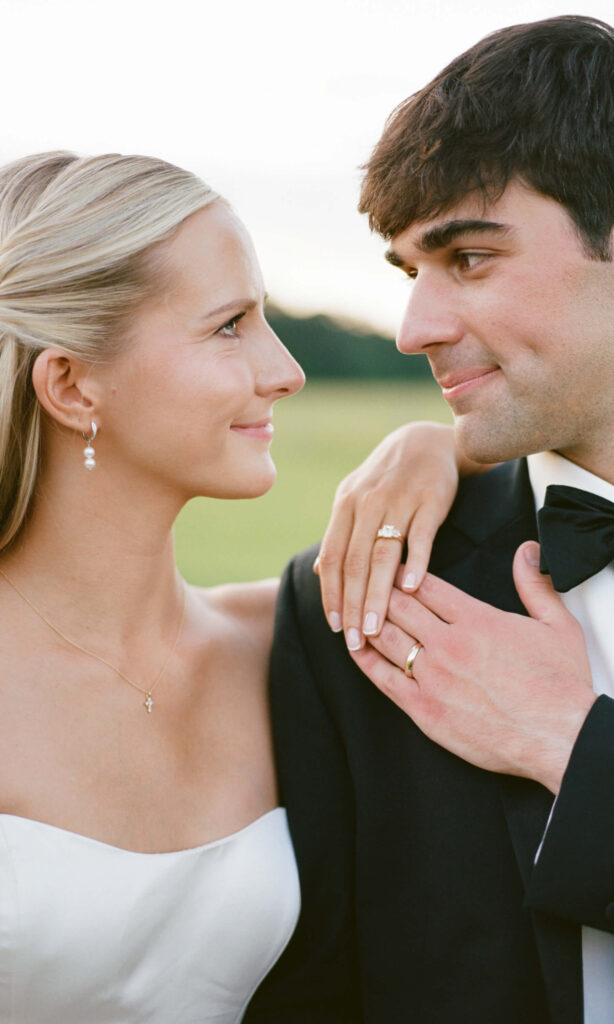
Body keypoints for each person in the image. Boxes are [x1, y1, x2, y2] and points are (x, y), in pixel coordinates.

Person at [249, 16, 614, 1024]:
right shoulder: (356, 589)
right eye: (409, 273)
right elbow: (319, 988)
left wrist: (571, 741)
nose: (414, 327)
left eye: (468, 258)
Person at [0, 150, 431, 1023]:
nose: (285, 370)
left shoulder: (288, 642)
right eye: (229, 324)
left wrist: (437, 447)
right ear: (72, 385)